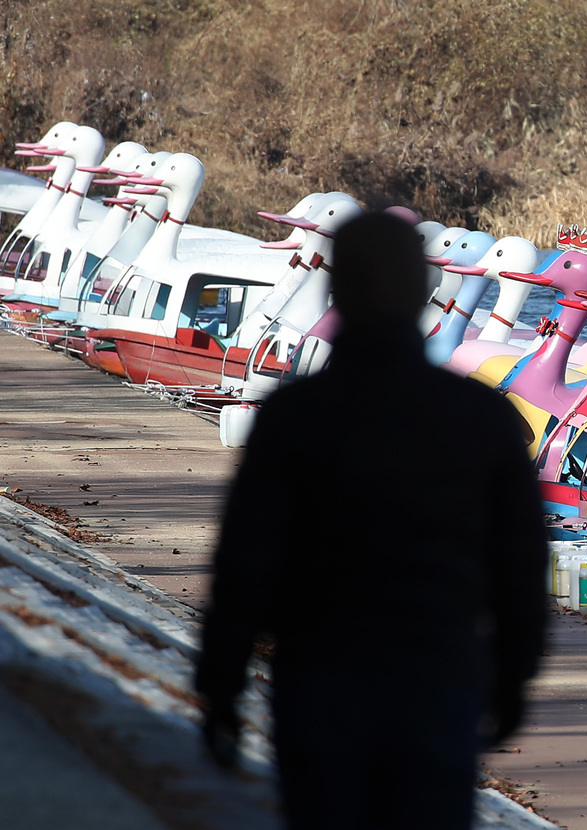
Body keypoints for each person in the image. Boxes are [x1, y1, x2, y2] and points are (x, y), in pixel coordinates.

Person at [196, 211, 549, 829]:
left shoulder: (295, 416)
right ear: (422, 294)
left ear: (337, 293)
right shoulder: (480, 418)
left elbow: (245, 561)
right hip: (437, 675)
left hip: (321, 677)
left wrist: (220, 685)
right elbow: (520, 566)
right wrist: (514, 677)